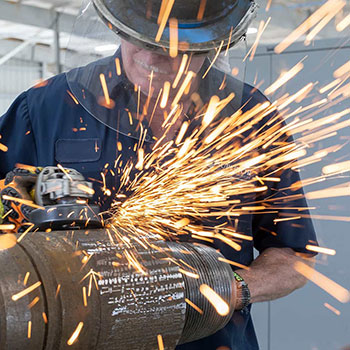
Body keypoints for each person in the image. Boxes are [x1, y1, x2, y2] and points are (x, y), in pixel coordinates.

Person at [0, 0, 317, 349]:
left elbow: (294, 255)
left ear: (211, 40)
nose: (151, 58)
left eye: (173, 48)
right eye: (141, 38)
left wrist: (235, 288)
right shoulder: (47, 106)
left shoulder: (250, 117)